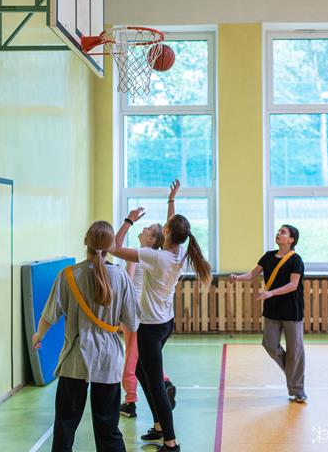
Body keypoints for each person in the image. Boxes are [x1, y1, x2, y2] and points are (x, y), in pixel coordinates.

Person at [112, 179, 212, 452]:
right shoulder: (179, 251)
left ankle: (170, 442)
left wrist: (129, 221)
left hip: (151, 327)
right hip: (165, 323)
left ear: (166, 233)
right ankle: (158, 426)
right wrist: (171, 200)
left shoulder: (156, 257)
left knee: (155, 385)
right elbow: (172, 227)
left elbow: (114, 247)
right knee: (141, 372)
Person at [32, 220, 140, 452]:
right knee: (108, 428)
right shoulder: (121, 277)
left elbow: (49, 315)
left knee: (65, 425)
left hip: (75, 360)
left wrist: (38, 336)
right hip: (109, 361)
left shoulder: (68, 275)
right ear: (111, 246)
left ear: (85, 242)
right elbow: (132, 322)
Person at [229, 224, 307, 403]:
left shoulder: (296, 260)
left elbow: (293, 285)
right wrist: (237, 277)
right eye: (279, 231)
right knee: (270, 344)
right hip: (272, 309)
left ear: (291, 239)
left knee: (295, 351)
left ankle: (298, 390)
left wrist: (271, 292)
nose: (279, 233)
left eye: (283, 232)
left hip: (292, 310)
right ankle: (292, 373)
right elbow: (252, 274)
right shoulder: (268, 256)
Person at [119, 222, 176, 418]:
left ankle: (130, 401)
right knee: (145, 359)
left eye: (147, 229)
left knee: (132, 359)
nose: (143, 229)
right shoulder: (157, 258)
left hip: (135, 312)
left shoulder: (139, 256)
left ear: (151, 239)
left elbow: (127, 282)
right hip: (151, 315)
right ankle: (165, 382)